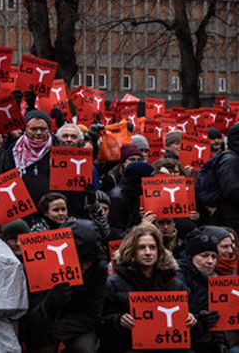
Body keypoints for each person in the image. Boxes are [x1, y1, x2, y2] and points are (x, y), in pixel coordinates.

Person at [101, 222, 195, 352]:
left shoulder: (175, 283)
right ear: (132, 250)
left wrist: (192, 319)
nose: (148, 252)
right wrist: (117, 321)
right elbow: (100, 323)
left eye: (152, 247)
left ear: (159, 250)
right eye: (141, 248)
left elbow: (193, 314)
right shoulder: (113, 283)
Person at [23, 219, 107, 353]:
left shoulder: (98, 270)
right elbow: (30, 319)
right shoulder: (38, 267)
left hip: (75, 328)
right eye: (81, 260)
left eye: (90, 260)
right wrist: (49, 305)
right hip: (42, 329)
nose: (86, 266)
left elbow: (92, 313)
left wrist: (59, 333)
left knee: (85, 347)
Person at [174, 228, 227, 353]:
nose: (210, 261)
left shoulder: (214, 279)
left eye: (214, 257)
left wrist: (220, 341)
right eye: (204, 256)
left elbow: (219, 316)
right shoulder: (178, 278)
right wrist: (200, 320)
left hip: (208, 341)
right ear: (191, 257)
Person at [14, 111, 54, 203]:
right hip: (23, 206)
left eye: (43, 129)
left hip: (52, 209)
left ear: (49, 130)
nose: (39, 133)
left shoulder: (58, 150)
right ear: (26, 130)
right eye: (33, 129)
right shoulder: (14, 151)